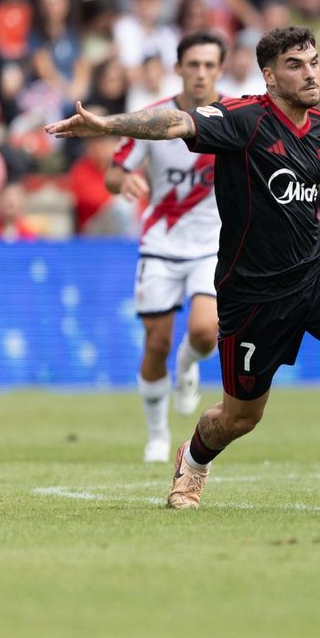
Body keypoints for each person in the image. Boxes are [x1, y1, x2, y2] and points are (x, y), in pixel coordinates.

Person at [46, 26, 320, 512]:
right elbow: (175, 122)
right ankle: (192, 462)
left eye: (313, 62)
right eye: (295, 65)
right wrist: (107, 125)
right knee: (240, 418)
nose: (310, 74)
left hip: (318, 275)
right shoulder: (242, 119)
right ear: (269, 76)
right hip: (254, 295)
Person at [102, 32, 226, 464]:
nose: (201, 73)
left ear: (220, 70)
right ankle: (157, 435)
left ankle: (188, 365)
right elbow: (113, 172)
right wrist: (124, 180)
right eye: (193, 64)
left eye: (209, 65)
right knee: (156, 343)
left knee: (205, 332)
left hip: (212, 245)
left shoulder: (234, 116)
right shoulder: (154, 118)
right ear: (178, 68)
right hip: (160, 242)